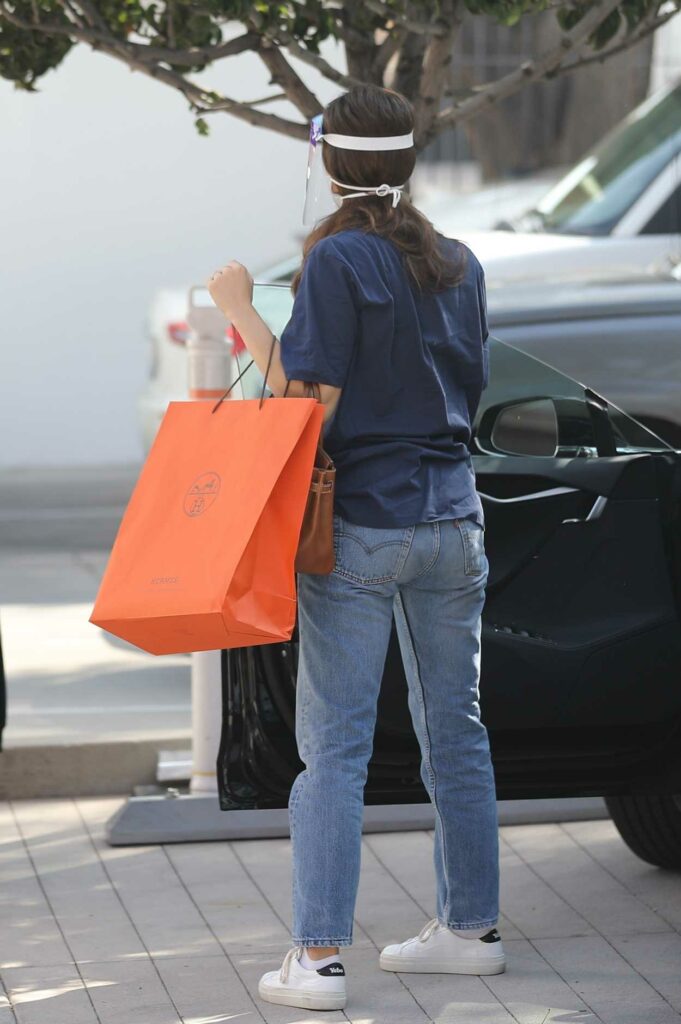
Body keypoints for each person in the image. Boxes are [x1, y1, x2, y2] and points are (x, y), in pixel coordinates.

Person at [206, 83, 503, 1014]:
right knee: (454, 731)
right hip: (455, 521)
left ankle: (320, 959)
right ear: (408, 163)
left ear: (327, 161)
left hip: (364, 522)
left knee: (332, 748)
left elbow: (306, 403)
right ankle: (469, 932)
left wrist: (242, 312)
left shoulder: (337, 260)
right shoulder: (458, 260)